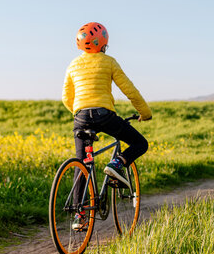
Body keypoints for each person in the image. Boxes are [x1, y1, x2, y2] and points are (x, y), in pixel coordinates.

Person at [62, 22, 152, 230]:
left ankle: (79, 214)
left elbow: (66, 97)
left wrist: (79, 113)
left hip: (80, 118)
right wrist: (144, 113)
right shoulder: (109, 61)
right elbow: (129, 89)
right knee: (140, 143)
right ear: (102, 43)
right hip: (104, 115)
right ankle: (117, 164)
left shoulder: (73, 65)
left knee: (82, 163)